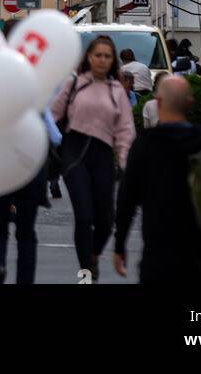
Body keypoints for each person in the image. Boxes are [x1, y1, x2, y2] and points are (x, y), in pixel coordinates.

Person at [114, 75, 201, 285]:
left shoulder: (145, 144)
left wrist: (120, 245)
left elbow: (126, 199)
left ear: (158, 102)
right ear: (190, 103)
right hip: (200, 251)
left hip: (158, 250)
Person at [51, 33, 135, 281]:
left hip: (102, 154)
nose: (102, 60)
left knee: (106, 220)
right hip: (74, 152)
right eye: (98, 55)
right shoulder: (75, 82)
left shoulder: (116, 90)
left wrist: (124, 160)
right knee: (84, 214)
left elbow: (125, 129)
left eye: (107, 56)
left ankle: (94, 255)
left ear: (113, 61)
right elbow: (52, 115)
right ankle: (86, 269)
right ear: (89, 57)